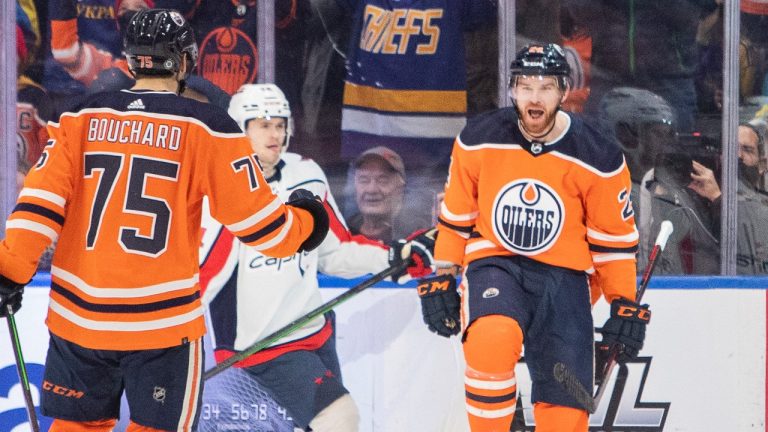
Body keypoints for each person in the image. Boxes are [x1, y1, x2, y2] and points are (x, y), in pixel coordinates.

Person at [0, 9, 330, 431]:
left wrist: (11, 270)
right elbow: (263, 229)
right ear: (187, 62)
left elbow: (39, 206)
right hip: (162, 327)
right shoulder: (209, 127)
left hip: (78, 319)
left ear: (132, 60)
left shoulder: (76, 119)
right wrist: (307, 217)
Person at [416, 44, 647, 431]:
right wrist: (443, 272)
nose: (534, 97)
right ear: (511, 90)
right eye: (525, 86)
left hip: (566, 278)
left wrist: (623, 303)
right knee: (492, 339)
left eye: (544, 87)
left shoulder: (599, 155)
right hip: (496, 264)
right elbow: (457, 217)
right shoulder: (479, 139)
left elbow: (613, 241)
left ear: (563, 92)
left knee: (566, 410)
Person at [199, 83, 436, 432]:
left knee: (322, 423)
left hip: (314, 330)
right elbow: (201, 273)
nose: (275, 134)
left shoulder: (305, 175)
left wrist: (395, 257)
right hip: (260, 347)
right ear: (240, 128)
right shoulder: (219, 191)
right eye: (263, 125)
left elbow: (334, 252)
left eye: (280, 124)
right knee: (338, 417)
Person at [346, 146, 434, 243]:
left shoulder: (418, 236)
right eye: (364, 180)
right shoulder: (343, 231)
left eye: (383, 180)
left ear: (400, 187)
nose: (371, 189)